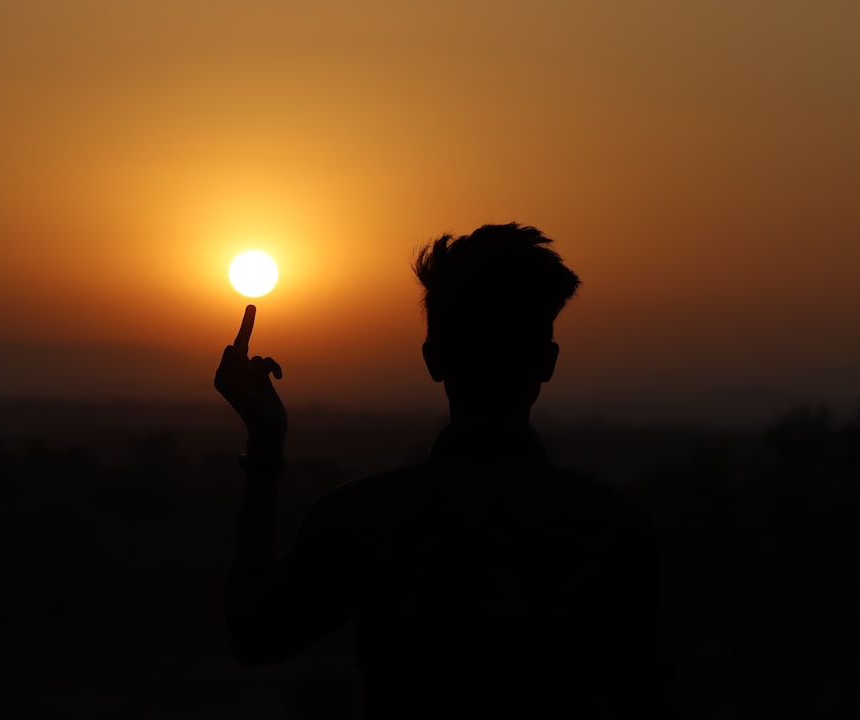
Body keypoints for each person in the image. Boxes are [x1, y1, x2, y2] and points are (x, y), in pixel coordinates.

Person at [215, 223, 677, 718]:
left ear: (434, 360)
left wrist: (263, 445)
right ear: (547, 362)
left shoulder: (367, 521)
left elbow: (256, 638)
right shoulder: (614, 529)